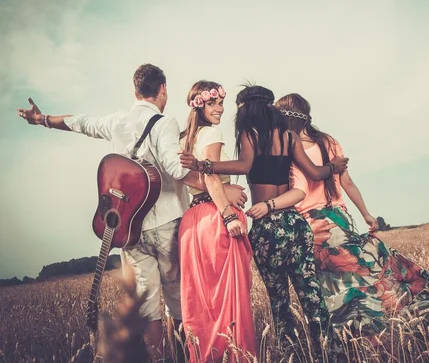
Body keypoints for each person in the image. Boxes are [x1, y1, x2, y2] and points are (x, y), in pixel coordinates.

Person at [16, 64, 247, 362]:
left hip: (129, 230)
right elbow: (177, 170)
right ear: (162, 89)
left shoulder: (118, 121)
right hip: (167, 224)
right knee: (177, 299)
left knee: (147, 302)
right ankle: (183, 355)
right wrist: (222, 192)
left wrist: (43, 119)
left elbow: (81, 122)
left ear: (135, 91)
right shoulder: (164, 123)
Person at [179, 85, 348, 361]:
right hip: (295, 223)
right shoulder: (290, 136)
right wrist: (335, 167)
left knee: (280, 303)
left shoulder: (250, 135)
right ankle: (331, 354)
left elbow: (244, 166)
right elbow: (316, 173)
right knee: (311, 296)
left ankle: (292, 355)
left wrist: (205, 165)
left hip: (268, 227)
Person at [274, 93, 429, 337]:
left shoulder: (287, 148)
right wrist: (365, 214)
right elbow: (347, 182)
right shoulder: (328, 142)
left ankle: (356, 332)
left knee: (332, 284)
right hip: (338, 219)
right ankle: (375, 326)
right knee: (358, 275)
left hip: (311, 225)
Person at [178, 80, 256, 362]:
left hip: (192, 222)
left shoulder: (184, 138)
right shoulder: (212, 133)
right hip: (215, 216)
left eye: (221, 103)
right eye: (213, 103)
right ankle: (235, 356)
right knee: (228, 300)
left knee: (202, 302)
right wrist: (226, 211)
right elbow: (211, 173)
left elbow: (189, 177)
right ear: (199, 105)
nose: (220, 109)